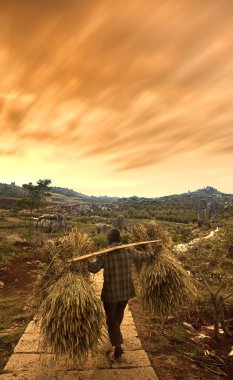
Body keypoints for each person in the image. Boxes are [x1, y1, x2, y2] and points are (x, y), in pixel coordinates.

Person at [88, 228, 162, 360]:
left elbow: (93, 269)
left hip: (110, 294)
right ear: (120, 239)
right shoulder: (129, 250)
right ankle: (115, 338)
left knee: (111, 319)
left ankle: (117, 346)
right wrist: (154, 252)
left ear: (109, 240)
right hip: (125, 292)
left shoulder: (105, 254)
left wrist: (83, 262)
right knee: (117, 316)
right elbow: (143, 257)